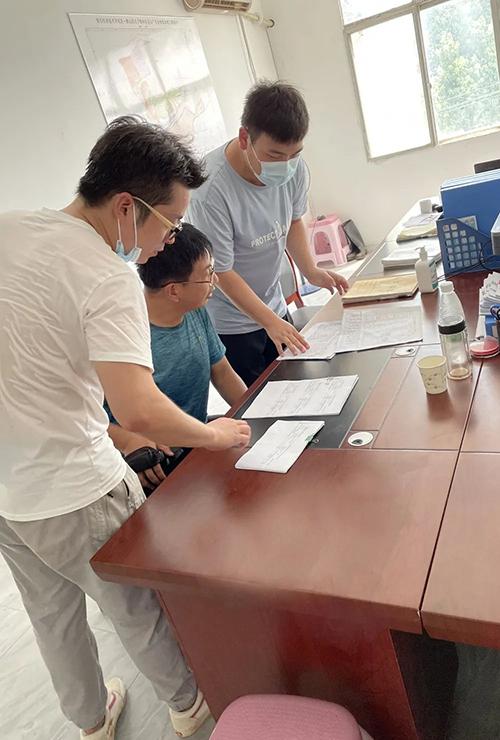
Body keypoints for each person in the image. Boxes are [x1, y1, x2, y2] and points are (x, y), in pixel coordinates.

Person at [0, 116, 251, 740]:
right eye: (169, 222)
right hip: (75, 486)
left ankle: (90, 721)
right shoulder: (107, 276)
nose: (169, 240)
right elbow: (136, 407)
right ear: (124, 207)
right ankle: (189, 708)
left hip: (8, 490)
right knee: (137, 607)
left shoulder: (10, 228)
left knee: (51, 614)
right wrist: (215, 434)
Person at [187, 80, 349, 386]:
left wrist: (310, 270)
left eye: (294, 154)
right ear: (244, 138)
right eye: (274, 156)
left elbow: (294, 221)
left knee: (298, 384)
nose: (285, 165)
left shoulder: (295, 169)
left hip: (273, 305)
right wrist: (269, 321)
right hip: (232, 323)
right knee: (259, 401)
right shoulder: (210, 190)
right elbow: (221, 271)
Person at [107, 222, 247, 493]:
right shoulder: (124, 335)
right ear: (174, 290)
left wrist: (253, 414)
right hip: (154, 466)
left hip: (197, 445)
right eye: (208, 274)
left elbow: (222, 372)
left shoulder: (195, 310)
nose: (215, 281)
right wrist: (129, 442)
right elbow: (92, 420)